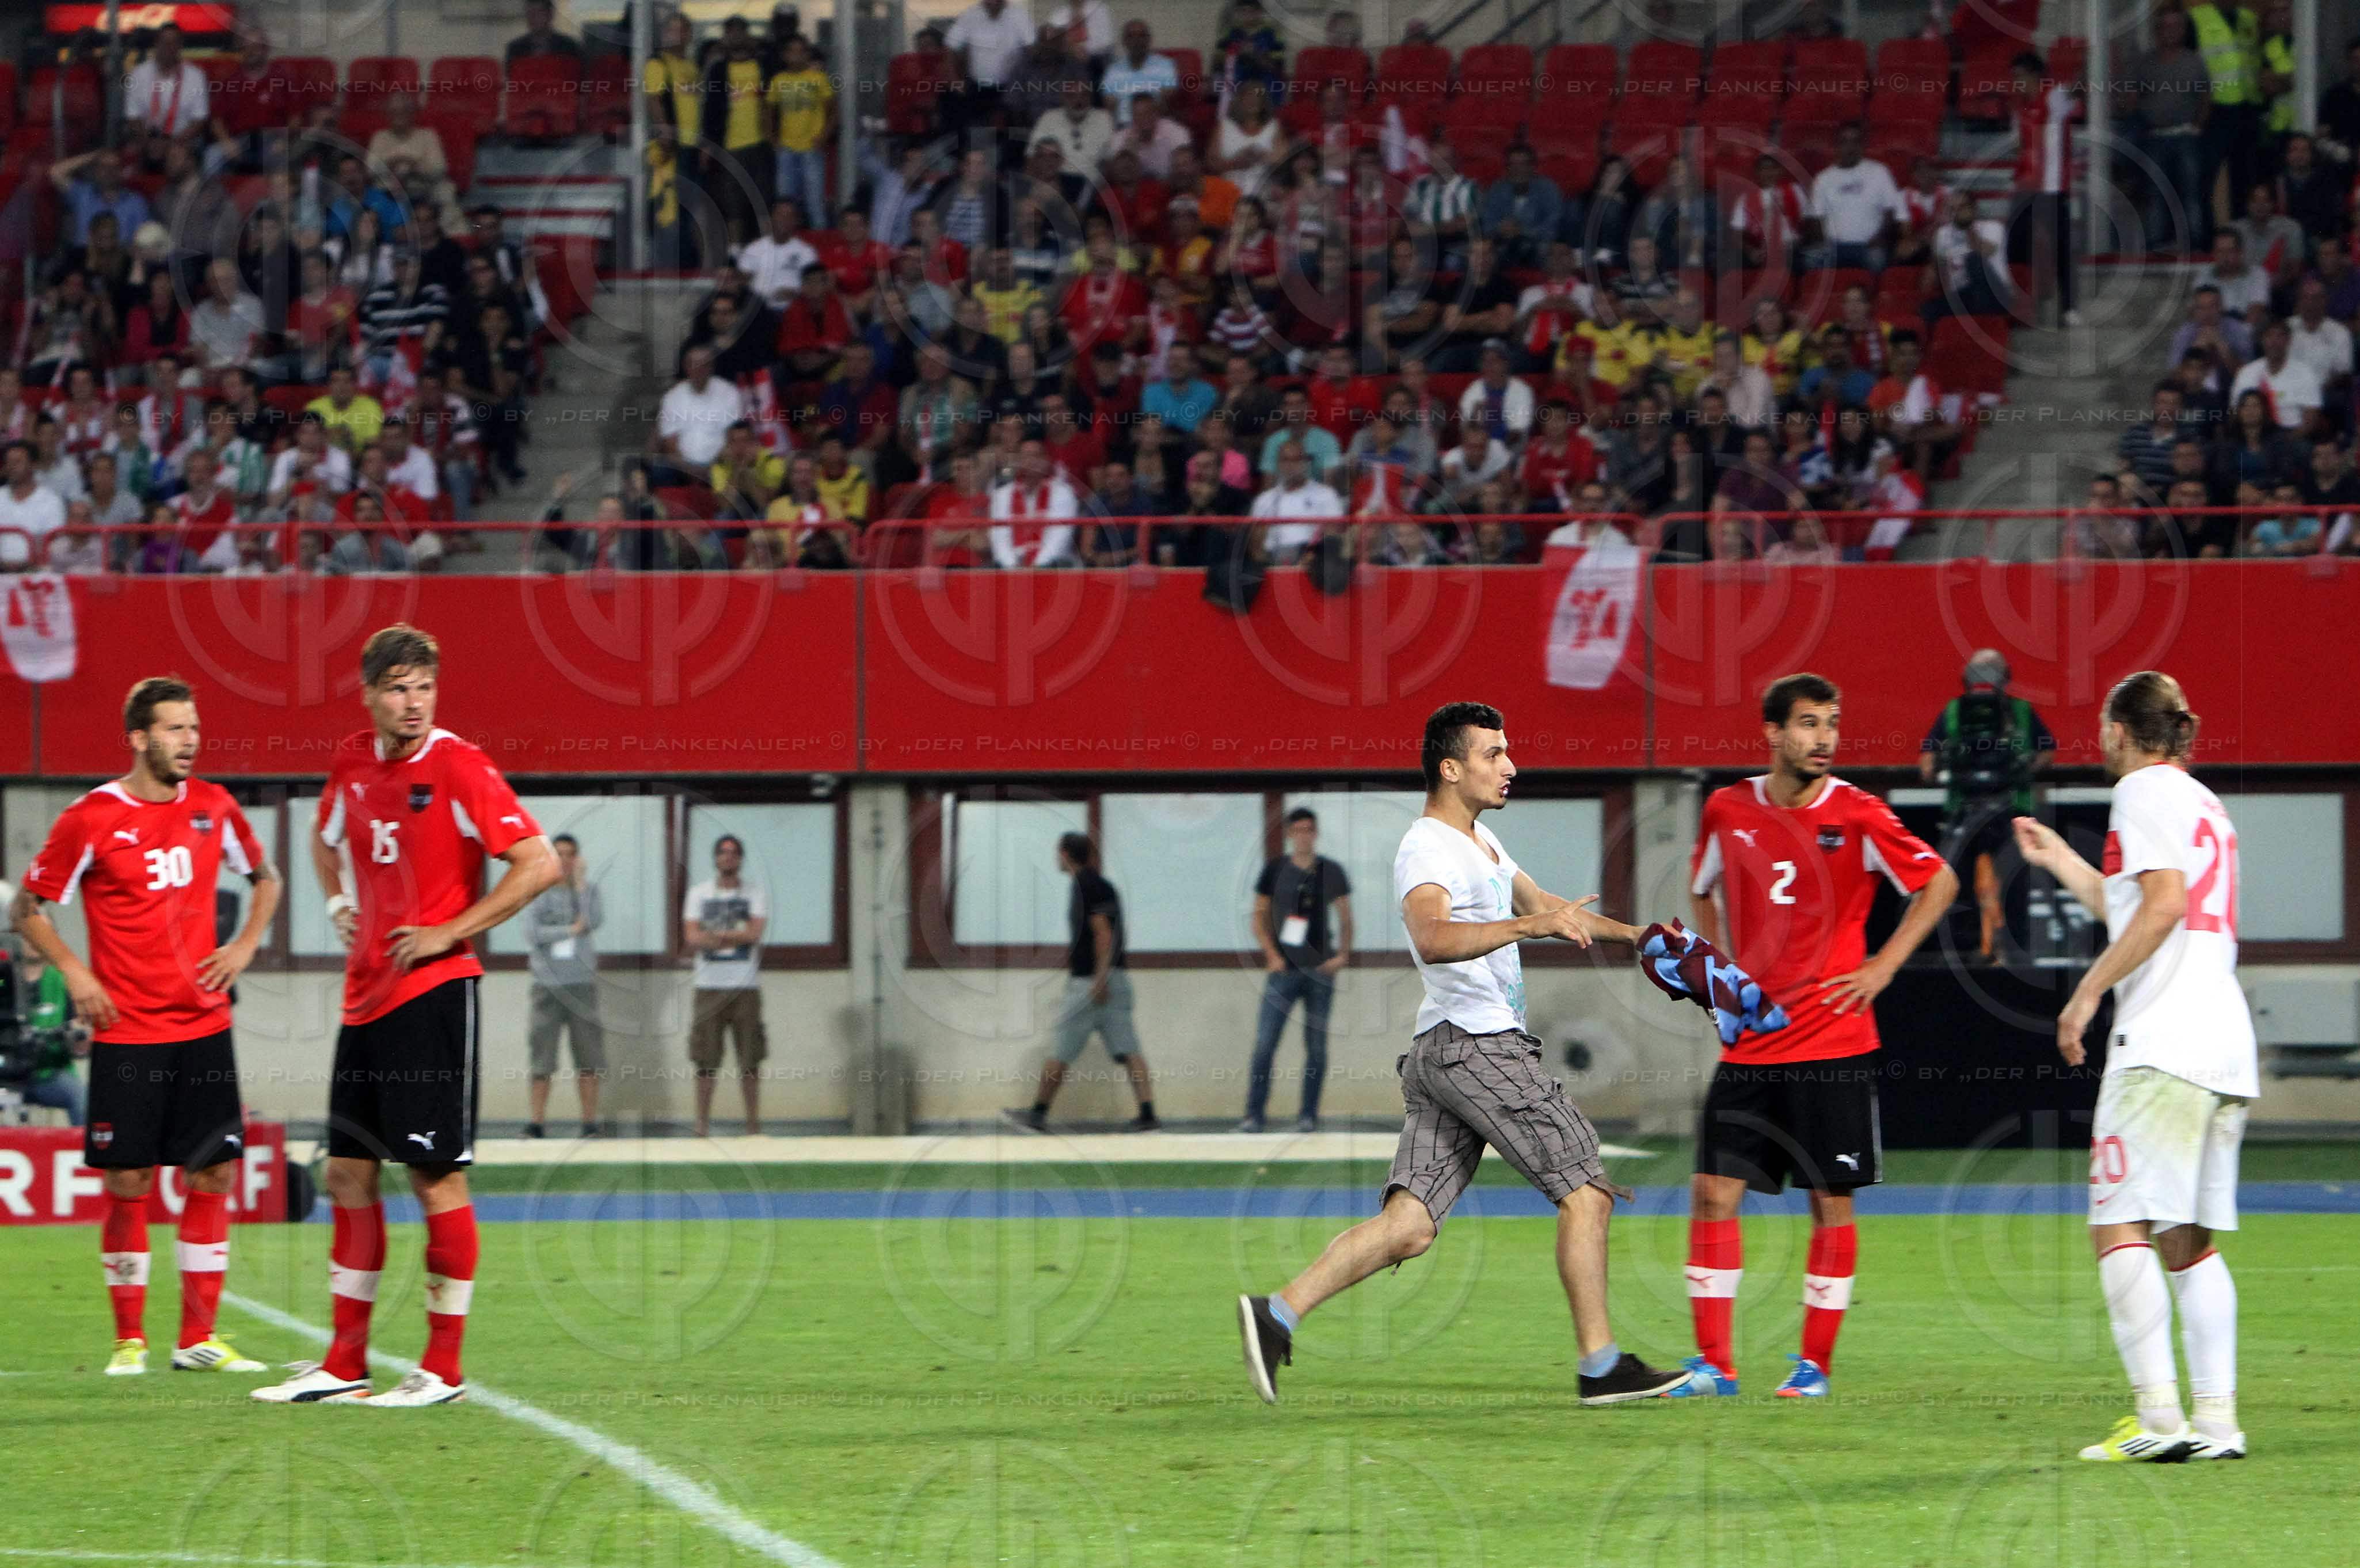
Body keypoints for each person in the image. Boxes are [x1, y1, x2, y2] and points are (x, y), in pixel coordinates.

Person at [1235, 702, 1702, 1408]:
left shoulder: (1479, 844)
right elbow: (1433, 937)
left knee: (1410, 1227)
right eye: (1493, 753)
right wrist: (1529, 924)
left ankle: (1276, 1314)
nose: (1509, 765)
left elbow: (1549, 905)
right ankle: (1600, 1365)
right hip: (1478, 1048)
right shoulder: (1427, 848)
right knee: (1585, 1190)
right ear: (1449, 768)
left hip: (1441, 1052)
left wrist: (1639, 937)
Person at [252, 626, 558, 1409]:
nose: (412, 703)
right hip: (366, 998)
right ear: (369, 695)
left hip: (432, 993)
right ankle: (345, 1361)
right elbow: (324, 842)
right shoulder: (353, 761)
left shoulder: (458, 764)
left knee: (433, 1177)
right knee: (348, 1174)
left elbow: (539, 861)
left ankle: (443, 1370)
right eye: (397, 688)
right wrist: (337, 900)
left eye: (423, 687)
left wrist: (452, 930)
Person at [1670, 673, 1958, 1400]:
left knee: (1829, 1203)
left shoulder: (1858, 815)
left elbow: (1939, 882)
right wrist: (1716, 976)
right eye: (1806, 723)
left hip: (1833, 1043)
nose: (1822, 737)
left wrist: (1883, 968)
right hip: (1752, 1042)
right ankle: (1715, 1366)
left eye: (1830, 722)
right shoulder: (1726, 807)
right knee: (1711, 1193)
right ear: (1772, 733)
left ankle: (1813, 1368)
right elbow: (1699, 886)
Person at [2010, 671, 2254, 1464]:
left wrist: (2085, 993)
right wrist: (2059, 864)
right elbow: (2145, 904)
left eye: (2105, 726)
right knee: (2190, 1240)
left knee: (2118, 1221)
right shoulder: (2202, 801)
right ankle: (2217, 1425)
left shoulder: (2142, 792)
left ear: (2119, 728)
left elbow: (2163, 907)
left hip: (2163, 1042)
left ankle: (2158, 1418)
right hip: (2223, 1042)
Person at [10, 676, 281, 1378]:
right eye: (173, 730)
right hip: (129, 1032)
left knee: (212, 1172)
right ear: (138, 737)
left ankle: (199, 1337)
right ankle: (129, 1339)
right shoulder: (92, 817)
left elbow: (267, 877)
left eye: (193, 729)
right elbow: (31, 906)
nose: (189, 742)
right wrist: (76, 971)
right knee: (129, 1180)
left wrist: (246, 944)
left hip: (203, 1026)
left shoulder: (215, 807)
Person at [1002, 832, 1159, 1133]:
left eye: (1056, 854)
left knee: (1061, 1048)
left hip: (1091, 983)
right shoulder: (1103, 885)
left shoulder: (1085, 886)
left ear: (1063, 854)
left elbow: (1103, 934)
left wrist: (1099, 980)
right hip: (1116, 980)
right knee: (1129, 1050)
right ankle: (1149, 1115)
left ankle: (1037, 1114)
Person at [1920, 650, 2054, 964]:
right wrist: (2020, 771)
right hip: (2013, 810)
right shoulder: (2021, 711)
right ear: (2005, 678)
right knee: (2015, 887)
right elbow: (2047, 752)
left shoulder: (1953, 711)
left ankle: (1961, 956)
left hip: (1964, 812)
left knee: (1954, 884)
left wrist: (1948, 768)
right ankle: (2017, 956)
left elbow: (1926, 765)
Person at [1239, 808, 1352, 1133]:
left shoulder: (1330, 870)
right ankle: (1254, 1114)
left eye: (1309, 830)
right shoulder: (1274, 870)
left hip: (1319, 970)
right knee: (1265, 1044)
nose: (1304, 835)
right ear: (1290, 834)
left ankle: (1308, 1115)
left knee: (1316, 1048)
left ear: (1315, 833)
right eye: (1298, 830)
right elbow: (1259, 915)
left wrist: (1342, 955)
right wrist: (1271, 954)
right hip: (1283, 970)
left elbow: (1345, 916)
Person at [683, 835, 768, 1139]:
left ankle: (753, 1125)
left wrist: (714, 936)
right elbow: (692, 938)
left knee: (750, 1058)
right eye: (723, 852)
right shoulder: (699, 894)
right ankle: (702, 1125)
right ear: (715, 858)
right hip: (709, 987)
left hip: (745, 987)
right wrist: (735, 934)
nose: (728, 857)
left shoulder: (755, 893)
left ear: (741, 859)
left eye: (734, 853)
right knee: (705, 1059)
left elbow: (755, 934)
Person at [523, 832, 604, 1140]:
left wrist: (581, 886)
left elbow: (594, 920)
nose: (565, 860)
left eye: (570, 854)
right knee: (542, 1057)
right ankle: (537, 1123)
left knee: (588, 1057)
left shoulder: (589, 891)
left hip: (582, 985)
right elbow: (533, 933)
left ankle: (588, 1123)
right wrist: (571, 930)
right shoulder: (536, 891)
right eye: (559, 854)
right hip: (547, 984)